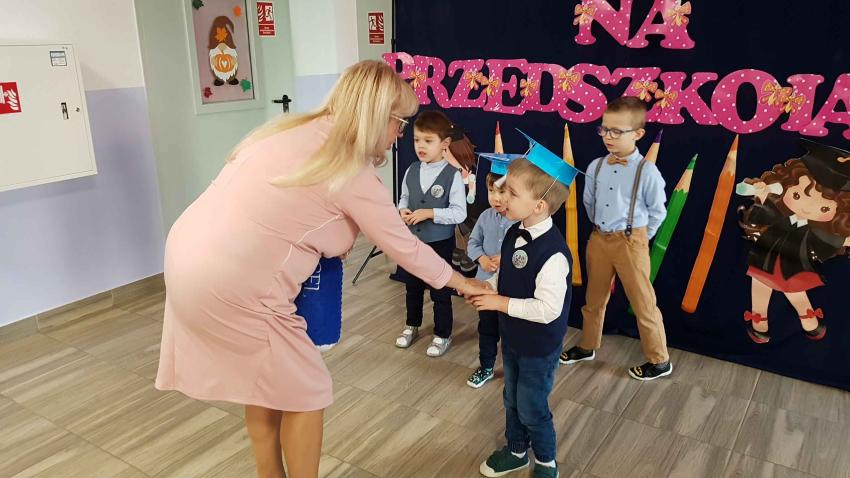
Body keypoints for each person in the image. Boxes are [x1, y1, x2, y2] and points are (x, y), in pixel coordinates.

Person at [155, 60, 492, 478]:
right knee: (306, 389)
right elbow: (404, 248)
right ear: (378, 116)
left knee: (263, 381)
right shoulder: (349, 168)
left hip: (186, 257)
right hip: (235, 282)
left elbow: (294, 215)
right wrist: (463, 282)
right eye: (400, 123)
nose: (400, 135)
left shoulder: (287, 131)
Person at [469, 149, 576, 478]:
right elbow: (507, 275)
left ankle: (546, 461)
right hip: (513, 337)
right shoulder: (514, 231)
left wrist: (499, 303)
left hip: (538, 347)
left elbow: (547, 309)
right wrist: (488, 286)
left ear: (539, 205)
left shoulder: (554, 254)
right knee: (511, 397)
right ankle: (516, 450)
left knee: (532, 405)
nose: (502, 197)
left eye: (511, 193)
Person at [559, 96, 672, 381]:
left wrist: (638, 238)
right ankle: (587, 345)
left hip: (631, 241)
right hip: (599, 238)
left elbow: (658, 212)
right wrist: (602, 230)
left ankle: (660, 360)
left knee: (643, 303)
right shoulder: (596, 166)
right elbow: (589, 202)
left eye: (617, 131)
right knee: (593, 298)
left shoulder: (647, 171)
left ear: (638, 134)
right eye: (604, 129)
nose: (608, 136)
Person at [395, 111, 467, 357]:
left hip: (440, 243)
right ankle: (411, 325)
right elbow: (404, 197)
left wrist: (430, 213)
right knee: (412, 287)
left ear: (445, 143)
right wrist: (402, 210)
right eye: (417, 140)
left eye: (428, 141)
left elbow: (459, 213)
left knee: (440, 290)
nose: (420, 146)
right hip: (413, 242)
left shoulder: (453, 175)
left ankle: (442, 334)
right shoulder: (412, 169)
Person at [465, 156, 517, 388]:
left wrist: (507, 260)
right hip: (486, 287)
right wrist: (481, 258)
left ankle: (513, 370)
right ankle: (486, 366)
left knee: (511, 333)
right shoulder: (486, 217)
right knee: (487, 329)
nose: (495, 198)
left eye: (502, 192)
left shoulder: (521, 222)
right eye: (491, 191)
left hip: (511, 291)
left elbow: (528, 254)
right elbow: (472, 243)